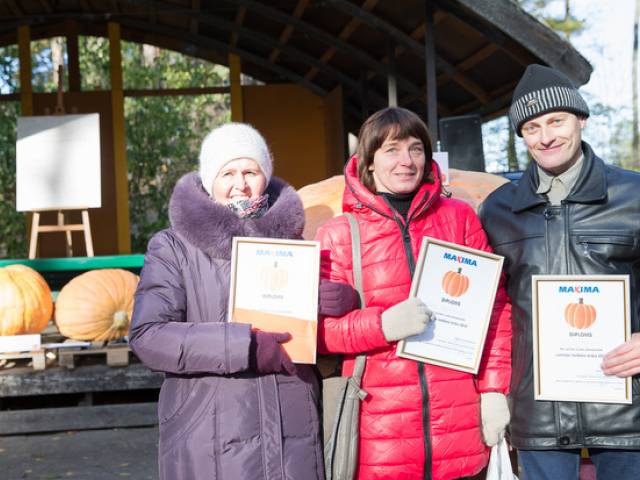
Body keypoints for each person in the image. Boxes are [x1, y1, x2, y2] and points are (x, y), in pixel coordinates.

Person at [128, 122, 358, 480]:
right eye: (228, 173)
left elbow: (317, 349)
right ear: (209, 181)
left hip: (292, 432)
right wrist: (244, 346)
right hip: (212, 434)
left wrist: (332, 307)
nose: (241, 184)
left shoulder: (297, 246)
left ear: (265, 176)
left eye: (251, 171)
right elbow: (149, 336)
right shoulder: (173, 247)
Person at [315, 107, 513, 480]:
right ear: (368, 162)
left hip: (459, 431)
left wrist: (493, 391)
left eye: (415, 149)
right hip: (380, 440)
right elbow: (322, 334)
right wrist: (382, 325)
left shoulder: (460, 218)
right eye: (391, 150)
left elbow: (496, 310)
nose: (406, 161)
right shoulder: (339, 235)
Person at [479, 64, 640, 480]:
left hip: (627, 412)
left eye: (556, 121)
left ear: (580, 120)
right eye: (531, 127)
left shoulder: (634, 195)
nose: (546, 136)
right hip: (539, 416)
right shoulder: (498, 210)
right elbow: (489, 308)